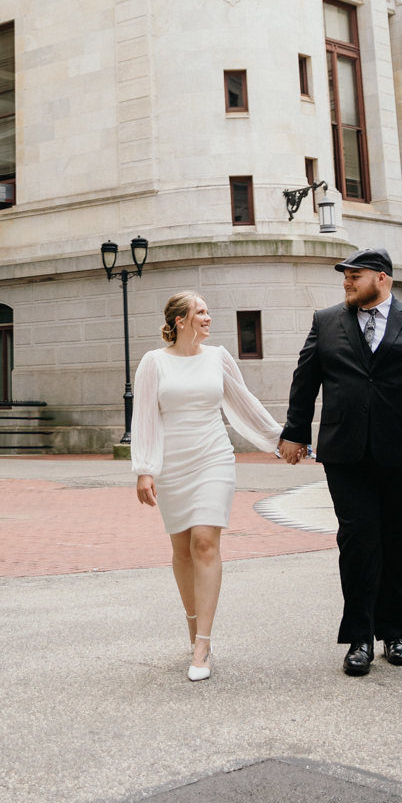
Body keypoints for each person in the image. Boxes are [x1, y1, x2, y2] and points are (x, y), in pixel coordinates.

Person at [278, 246, 402, 677]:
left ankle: (396, 633)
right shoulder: (326, 322)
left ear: (382, 278)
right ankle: (359, 638)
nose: (346, 281)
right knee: (359, 541)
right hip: (346, 453)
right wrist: (294, 433)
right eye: (344, 275)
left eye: (355, 275)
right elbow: (305, 381)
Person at [132, 290, 282, 681]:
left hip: (214, 457)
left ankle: (203, 644)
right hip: (173, 464)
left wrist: (279, 438)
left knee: (204, 542)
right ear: (180, 320)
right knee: (182, 551)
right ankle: (192, 622)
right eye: (200, 312)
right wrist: (145, 468)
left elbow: (244, 402)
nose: (208, 318)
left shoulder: (218, 358)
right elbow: (145, 415)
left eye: (207, 311)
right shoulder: (153, 363)